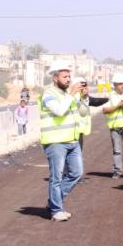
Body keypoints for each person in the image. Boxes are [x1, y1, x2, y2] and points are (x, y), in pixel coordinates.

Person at [40, 61, 88, 222]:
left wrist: (83, 97)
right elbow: (59, 111)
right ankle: (56, 210)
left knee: (76, 173)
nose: (68, 80)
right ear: (55, 78)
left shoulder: (69, 95)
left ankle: (54, 203)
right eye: (65, 76)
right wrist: (71, 94)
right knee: (57, 177)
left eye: (69, 76)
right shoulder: (48, 95)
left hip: (72, 140)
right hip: (56, 142)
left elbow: (82, 112)